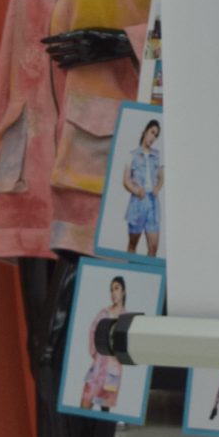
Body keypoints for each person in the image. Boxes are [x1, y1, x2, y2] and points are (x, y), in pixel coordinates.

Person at [76, 276, 130, 413]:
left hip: (112, 372)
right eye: (111, 290)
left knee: (105, 411)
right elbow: (92, 331)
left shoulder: (127, 318)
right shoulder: (103, 313)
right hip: (97, 368)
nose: (113, 293)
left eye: (116, 288)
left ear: (124, 291)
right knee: (85, 404)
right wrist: (95, 352)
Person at [122, 118, 164, 256]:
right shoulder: (132, 154)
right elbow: (126, 180)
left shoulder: (157, 156)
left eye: (156, 135)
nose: (153, 137)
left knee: (153, 248)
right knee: (133, 244)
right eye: (152, 132)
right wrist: (136, 190)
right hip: (137, 202)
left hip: (153, 203)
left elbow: (161, 176)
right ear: (145, 131)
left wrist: (158, 187)